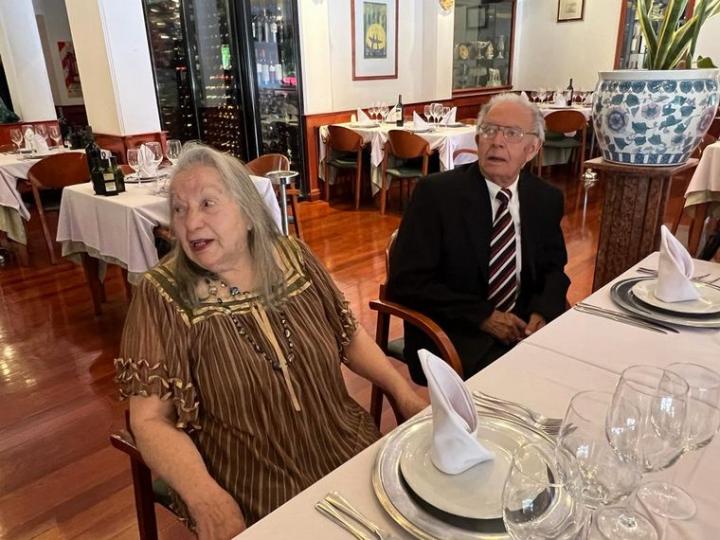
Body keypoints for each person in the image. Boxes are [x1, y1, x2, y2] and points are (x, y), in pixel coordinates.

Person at [114, 144, 427, 539]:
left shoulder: (293, 256)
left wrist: (403, 391)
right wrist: (204, 496)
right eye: (179, 209)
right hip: (247, 478)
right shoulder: (162, 293)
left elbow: (349, 336)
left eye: (208, 203)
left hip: (343, 442)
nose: (191, 222)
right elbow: (148, 420)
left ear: (247, 212)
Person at [387, 93, 570, 384]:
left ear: (532, 148)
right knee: (522, 382)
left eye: (511, 133)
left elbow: (554, 269)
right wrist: (484, 317)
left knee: (573, 369)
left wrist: (542, 312)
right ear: (477, 140)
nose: (497, 141)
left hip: (521, 325)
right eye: (489, 130)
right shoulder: (436, 195)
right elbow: (407, 283)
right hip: (454, 331)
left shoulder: (545, 198)